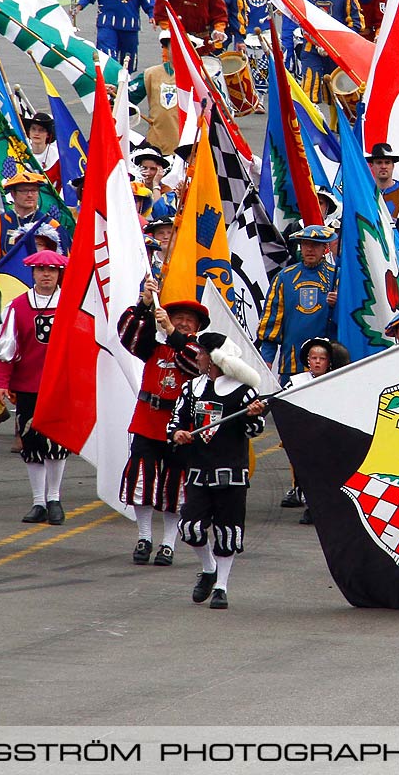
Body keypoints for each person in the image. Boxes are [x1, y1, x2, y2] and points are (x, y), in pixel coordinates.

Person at [169, 338, 267, 609]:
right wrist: (178, 433)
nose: (197, 357)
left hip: (231, 472)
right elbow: (176, 421)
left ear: (214, 359)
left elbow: (255, 430)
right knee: (190, 527)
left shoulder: (244, 392)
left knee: (227, 531)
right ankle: (208, 568)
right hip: (199, 470)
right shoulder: (191, 387)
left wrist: (252, 415)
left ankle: (221, 586)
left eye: (201, 353)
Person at [118, 282, 211, 567]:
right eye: (177, 317)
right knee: (141, 482)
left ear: (197, 325)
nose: (182, 323)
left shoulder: (201, 350)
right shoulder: (154, 345)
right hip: (148, 419)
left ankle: (168, 544)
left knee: (175, 487)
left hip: (181, 427)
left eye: (188, 320)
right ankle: (144, 537)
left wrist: (171, 332)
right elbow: (127, 336)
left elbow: (193, 364)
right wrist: (144, 304)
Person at [0, 251, 72, 525]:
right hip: (28, 386)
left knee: (57, 444)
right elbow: (6, 349)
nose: (46, 274)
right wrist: (2, 383)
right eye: (41, 269)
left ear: (60, 273)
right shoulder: (17, 307)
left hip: (60, 386)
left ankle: (54, 498)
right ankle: (38, 501)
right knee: (31, 445)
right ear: (33, 272)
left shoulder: (72, 304)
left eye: (52, 269)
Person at [256, 224, 337, 386]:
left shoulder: (337, 276)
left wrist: (338, 305)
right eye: (306, 244)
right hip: (292, 363)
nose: (310, 249)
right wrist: (267, 359)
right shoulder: (284, 277)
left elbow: (350, 319)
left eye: (315, 245)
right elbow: (272, 322)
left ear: (325, 248)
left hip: (329, 364)